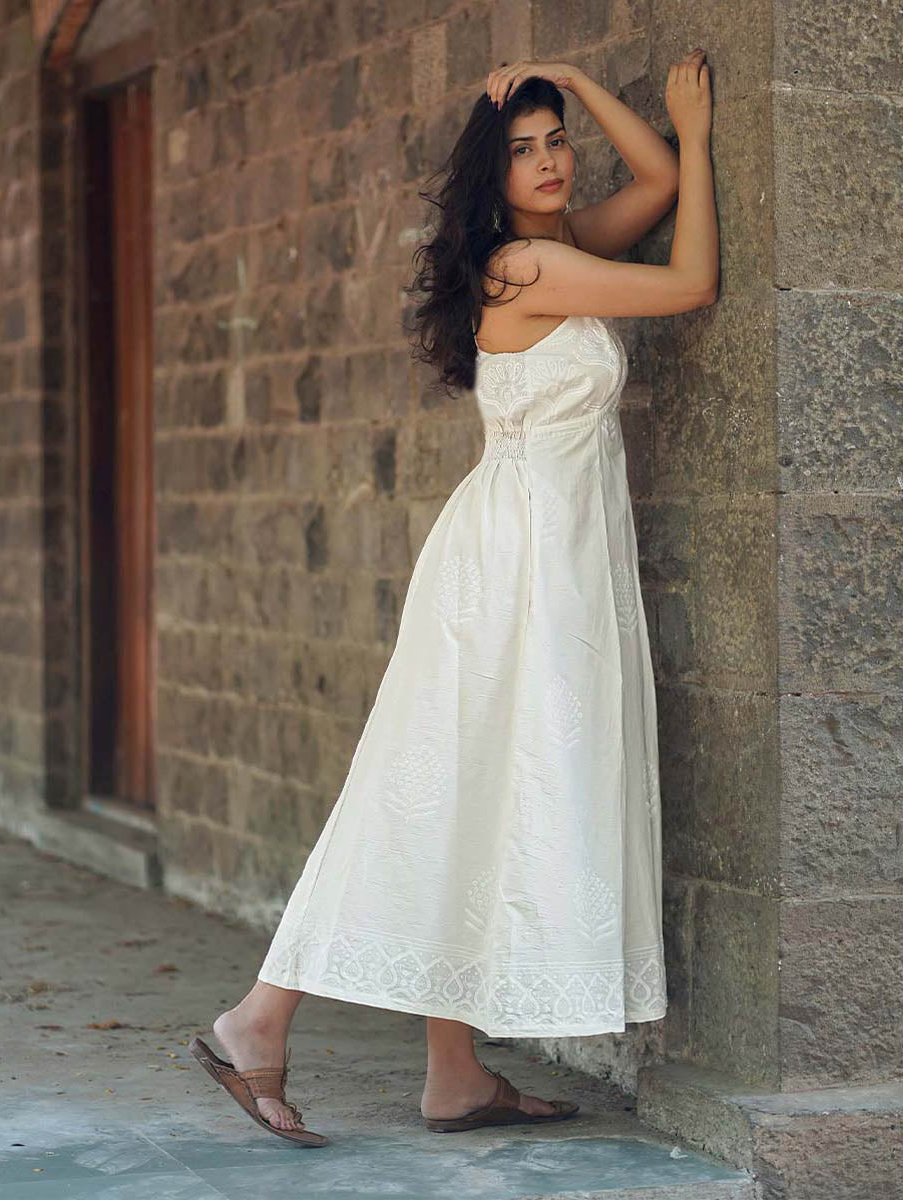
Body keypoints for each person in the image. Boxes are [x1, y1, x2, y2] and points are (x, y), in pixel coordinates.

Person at [190, 48, 717, 1147]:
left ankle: (455, 1074)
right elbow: (691, 280)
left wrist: (575, 79)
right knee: (423, 789)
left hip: (548, 551)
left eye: (557, 141)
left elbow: (658, 185)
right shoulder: (527, 269)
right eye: (523, 149)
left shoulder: (557, 248)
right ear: (493, 172)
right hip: (516, 560)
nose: (549, 160)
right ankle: (257, 1018)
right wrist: (703, 134)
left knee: (482, 790)